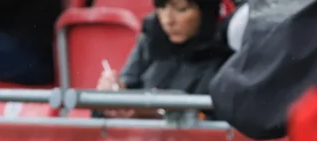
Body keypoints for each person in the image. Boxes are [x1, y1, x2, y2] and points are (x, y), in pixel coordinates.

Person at [96, 0, 232, 119]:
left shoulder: (225, 55)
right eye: (161, 7)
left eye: (181, 9)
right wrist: (110, 96)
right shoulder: (151, 40)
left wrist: (155, 114)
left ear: (206, 10)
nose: (168, 20)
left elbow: (216, 121)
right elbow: (127, 85)